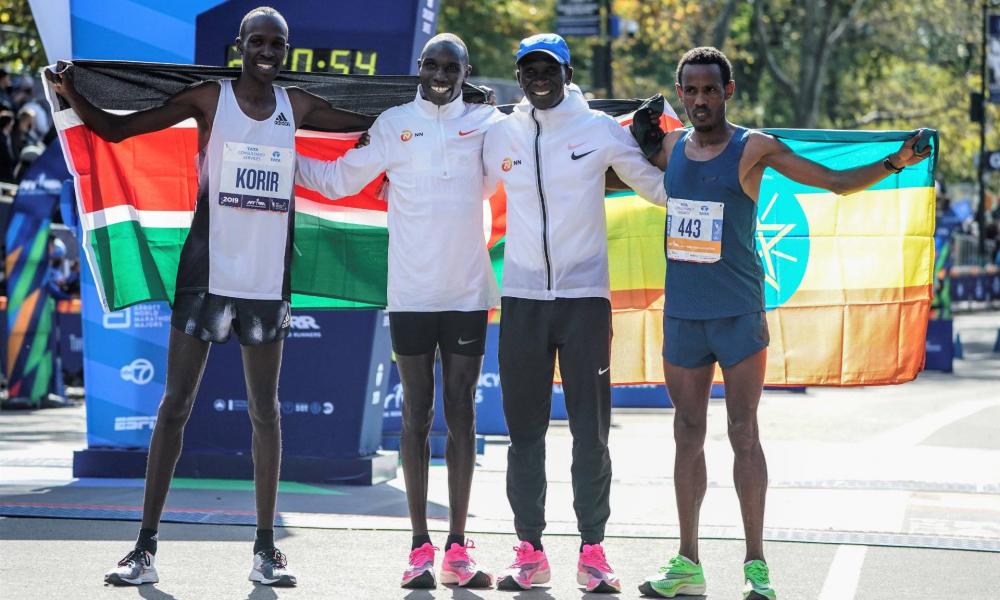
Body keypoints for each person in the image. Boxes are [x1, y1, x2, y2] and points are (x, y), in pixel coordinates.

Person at [44, 6, 373, 588]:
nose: (268, 52)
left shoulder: (295, 106)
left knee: (265, 411)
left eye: (277, 43)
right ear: (239, 46)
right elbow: (119, 132)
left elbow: (370, 117)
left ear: (286, 50)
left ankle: (266, 550)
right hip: (206, 276)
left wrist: (444, 104)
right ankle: (143, 547)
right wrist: (72, 93)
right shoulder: (208, 99)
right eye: (258, 41)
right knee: (175, 406)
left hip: (266, 283)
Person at [634, 47, 930, 600]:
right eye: (691, 91)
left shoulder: (755, 147)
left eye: (710, 89)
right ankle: (688, 562)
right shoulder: (669, 149)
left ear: (729, 91)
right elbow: (600, 162)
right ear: (680, 94)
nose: (701, 100)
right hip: (683, 316)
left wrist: (896, 162)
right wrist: (631, 128)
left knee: (743, 432)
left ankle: (756, 566)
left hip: (738, 314)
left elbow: (834, 182)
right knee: (686, 432)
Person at [296, 33, 501, 590]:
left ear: (466, 72)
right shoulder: (393, 124)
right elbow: (337, 179)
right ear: (419, 67)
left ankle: (457, 547)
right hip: (410, 294)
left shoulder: (489, 124)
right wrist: (274, 156)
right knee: (415, 415)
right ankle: (418, 546)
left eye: (451, 67)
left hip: (467, 293)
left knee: (461, 414)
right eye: (432, 64)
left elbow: (535, 154)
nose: (441, 74)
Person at [481, 33, 669, 594]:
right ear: (519, 75)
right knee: (524, 436)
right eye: (529, 69)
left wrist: (692, 157)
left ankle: (593, 551)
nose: (538, 78)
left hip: (584, 299)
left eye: (548, 68)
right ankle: (530, 551)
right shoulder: (501, 132)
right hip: (522, 299)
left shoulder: (599, 130)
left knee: (591, 433)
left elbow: (658, 189)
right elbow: (460, 182)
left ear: (567, 73)